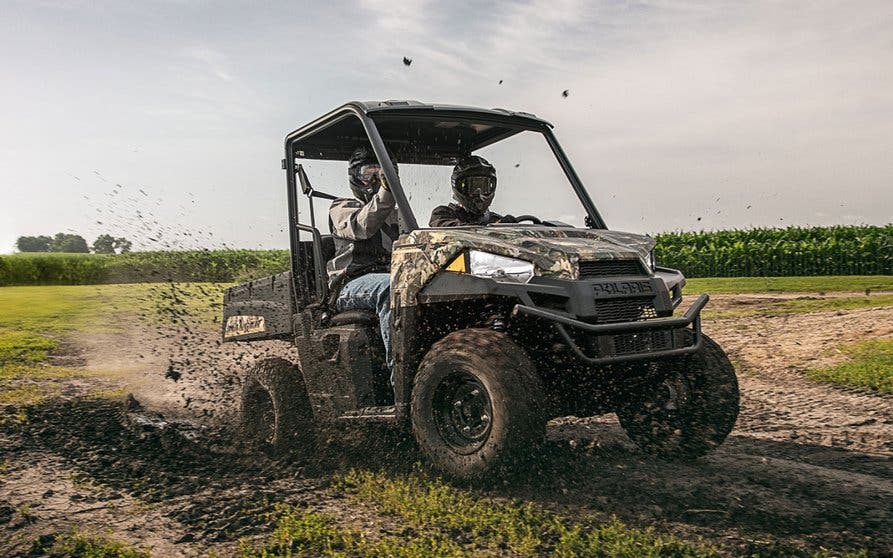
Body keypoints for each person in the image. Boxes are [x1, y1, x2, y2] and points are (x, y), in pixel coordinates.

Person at [327, 145, 399, 375]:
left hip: (391, 276)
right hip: (349, 285)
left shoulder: (396, 214)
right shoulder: (341, 207)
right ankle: (399, 375)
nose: (377, 180)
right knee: (391, 288)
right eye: (370, 174)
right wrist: (388, 191)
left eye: (382, 173)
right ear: (355, 177)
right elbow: (363, 227)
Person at [429, 155, 514, 227]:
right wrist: (493, 231)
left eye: (484, 187)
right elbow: (451, 230)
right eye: (472, 187)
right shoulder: (442, 214)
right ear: (459, 187)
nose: (479, 193)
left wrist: (513, 231)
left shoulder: (496, 221)